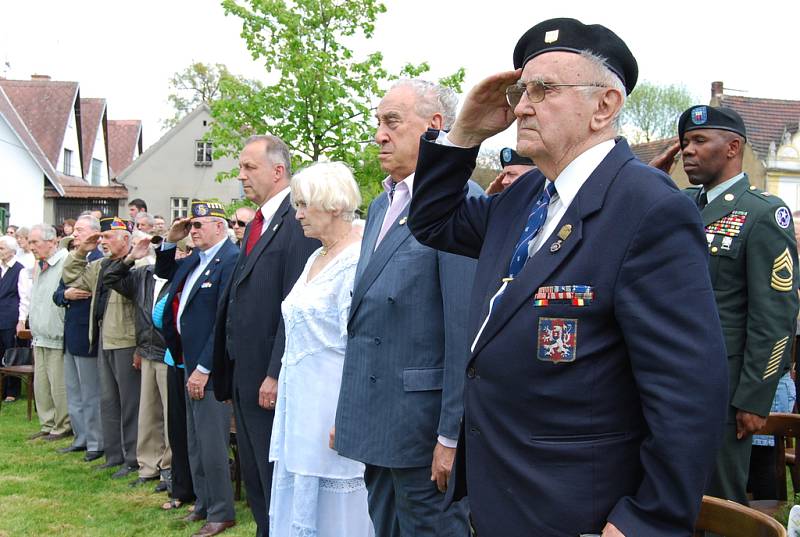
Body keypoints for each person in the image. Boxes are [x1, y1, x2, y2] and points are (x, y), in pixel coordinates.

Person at [407, 18, 729, 536]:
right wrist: (463, 133)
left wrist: (645, 520)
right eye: (521, 90)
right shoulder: (523, 197)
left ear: (605, 106)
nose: (522, 106)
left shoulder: (647, 207)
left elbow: (688, 392)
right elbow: (432, 221)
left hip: (579, 509)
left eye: (545, 89)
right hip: (501, 497)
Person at [333, 79, 476, 537]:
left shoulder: (460, 203)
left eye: (392, 122)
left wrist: (450, 435)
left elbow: (462, 330)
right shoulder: (381, 205)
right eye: (377, 122)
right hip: (378, 419)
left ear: (434, 126)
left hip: (422, 430)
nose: (379, 134)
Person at [656, 105, 800, 504]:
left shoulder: (764, 214)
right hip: (669, 380)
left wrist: (754, 397)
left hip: (723, 389)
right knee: (668, 496)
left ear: (733, 146)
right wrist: (652, 175)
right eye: (685, 142)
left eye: (700, 141)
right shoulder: (681, 203)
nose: (688, 150)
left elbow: (774, 317)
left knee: (717, 501)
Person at [212, 135, 319, 536]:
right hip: (245, 374)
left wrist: (275, 371)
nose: (241, 176)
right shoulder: (259, 222)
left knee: (274, 478)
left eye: (249, 168)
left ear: (278, 171)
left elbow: (294, 303)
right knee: (255, 475)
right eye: (240, 168)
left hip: (269, 379)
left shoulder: (296, 221)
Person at [268, 162, 372, 537]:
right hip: (300, 406)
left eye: (303, 205)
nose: (296, 215)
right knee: (300, 500)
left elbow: (362, 344)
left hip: (332, 404)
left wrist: (347, 414)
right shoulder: (316, 256)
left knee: (338, 506)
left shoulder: (358, 258)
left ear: (331, 203)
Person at [156, 200, 239, 537]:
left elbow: (224, 321)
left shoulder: (230, 260)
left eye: (199, 225)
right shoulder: (196, 259)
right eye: (191, 226)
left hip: (208, 366)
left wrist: (204, 366)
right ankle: (204, 503)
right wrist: (170, 240)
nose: (193, 231)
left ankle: (222, 511)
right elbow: (164, 270)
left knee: (212, 440)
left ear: (219, 227)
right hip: (185, 361)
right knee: (194, 440)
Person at [62, 217, 141, 479]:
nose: (103, 242)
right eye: (102, 237)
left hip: (126, 340)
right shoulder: (99, 264)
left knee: (129, 403)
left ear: (126, 239)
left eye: (108, 237)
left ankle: (132, 458)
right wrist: (82, 249)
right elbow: (71, 276)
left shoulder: (138, 264)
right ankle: (114, 455)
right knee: (108, 402)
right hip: (103, 338)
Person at [103, 235, 172, 490]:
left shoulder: (179, 277)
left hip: (168, 351)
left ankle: (169, 468)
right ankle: (148, 465)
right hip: (147, 349)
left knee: (169, 414)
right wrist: (131, 257)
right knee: (148, 414)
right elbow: (110, 278)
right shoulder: (143, 275)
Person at [52, 215, 105, 460]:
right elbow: (59, 293)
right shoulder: (74, 259)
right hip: (71, 332)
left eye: (81, 230)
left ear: (95, 233)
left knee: (90, 392)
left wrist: (72, 291)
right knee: (73, 391)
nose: (76, 234)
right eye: (75, 230)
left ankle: (96, 442)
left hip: (88, 334)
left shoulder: (98, 259)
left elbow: (89, 290)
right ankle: (80, 437)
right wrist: (67, 295)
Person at [25, 224, 72, 441]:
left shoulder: (65, 262)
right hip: (40, 334)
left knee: (58, 385)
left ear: (52, 242)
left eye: (35, 242)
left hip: (57, 333)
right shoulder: (40, 265)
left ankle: (62, 426)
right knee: (41, 385)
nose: (30, 246)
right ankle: (48, 424)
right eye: (29, 241)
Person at [0, 235, 31, 403]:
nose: (0, 251)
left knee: (10, 353)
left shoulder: (21, 269)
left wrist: (21, 320)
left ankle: (12, 390)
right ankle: (1, 388)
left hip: (10, 318)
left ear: (12, 251)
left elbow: (25, 297)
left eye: (2, 248)